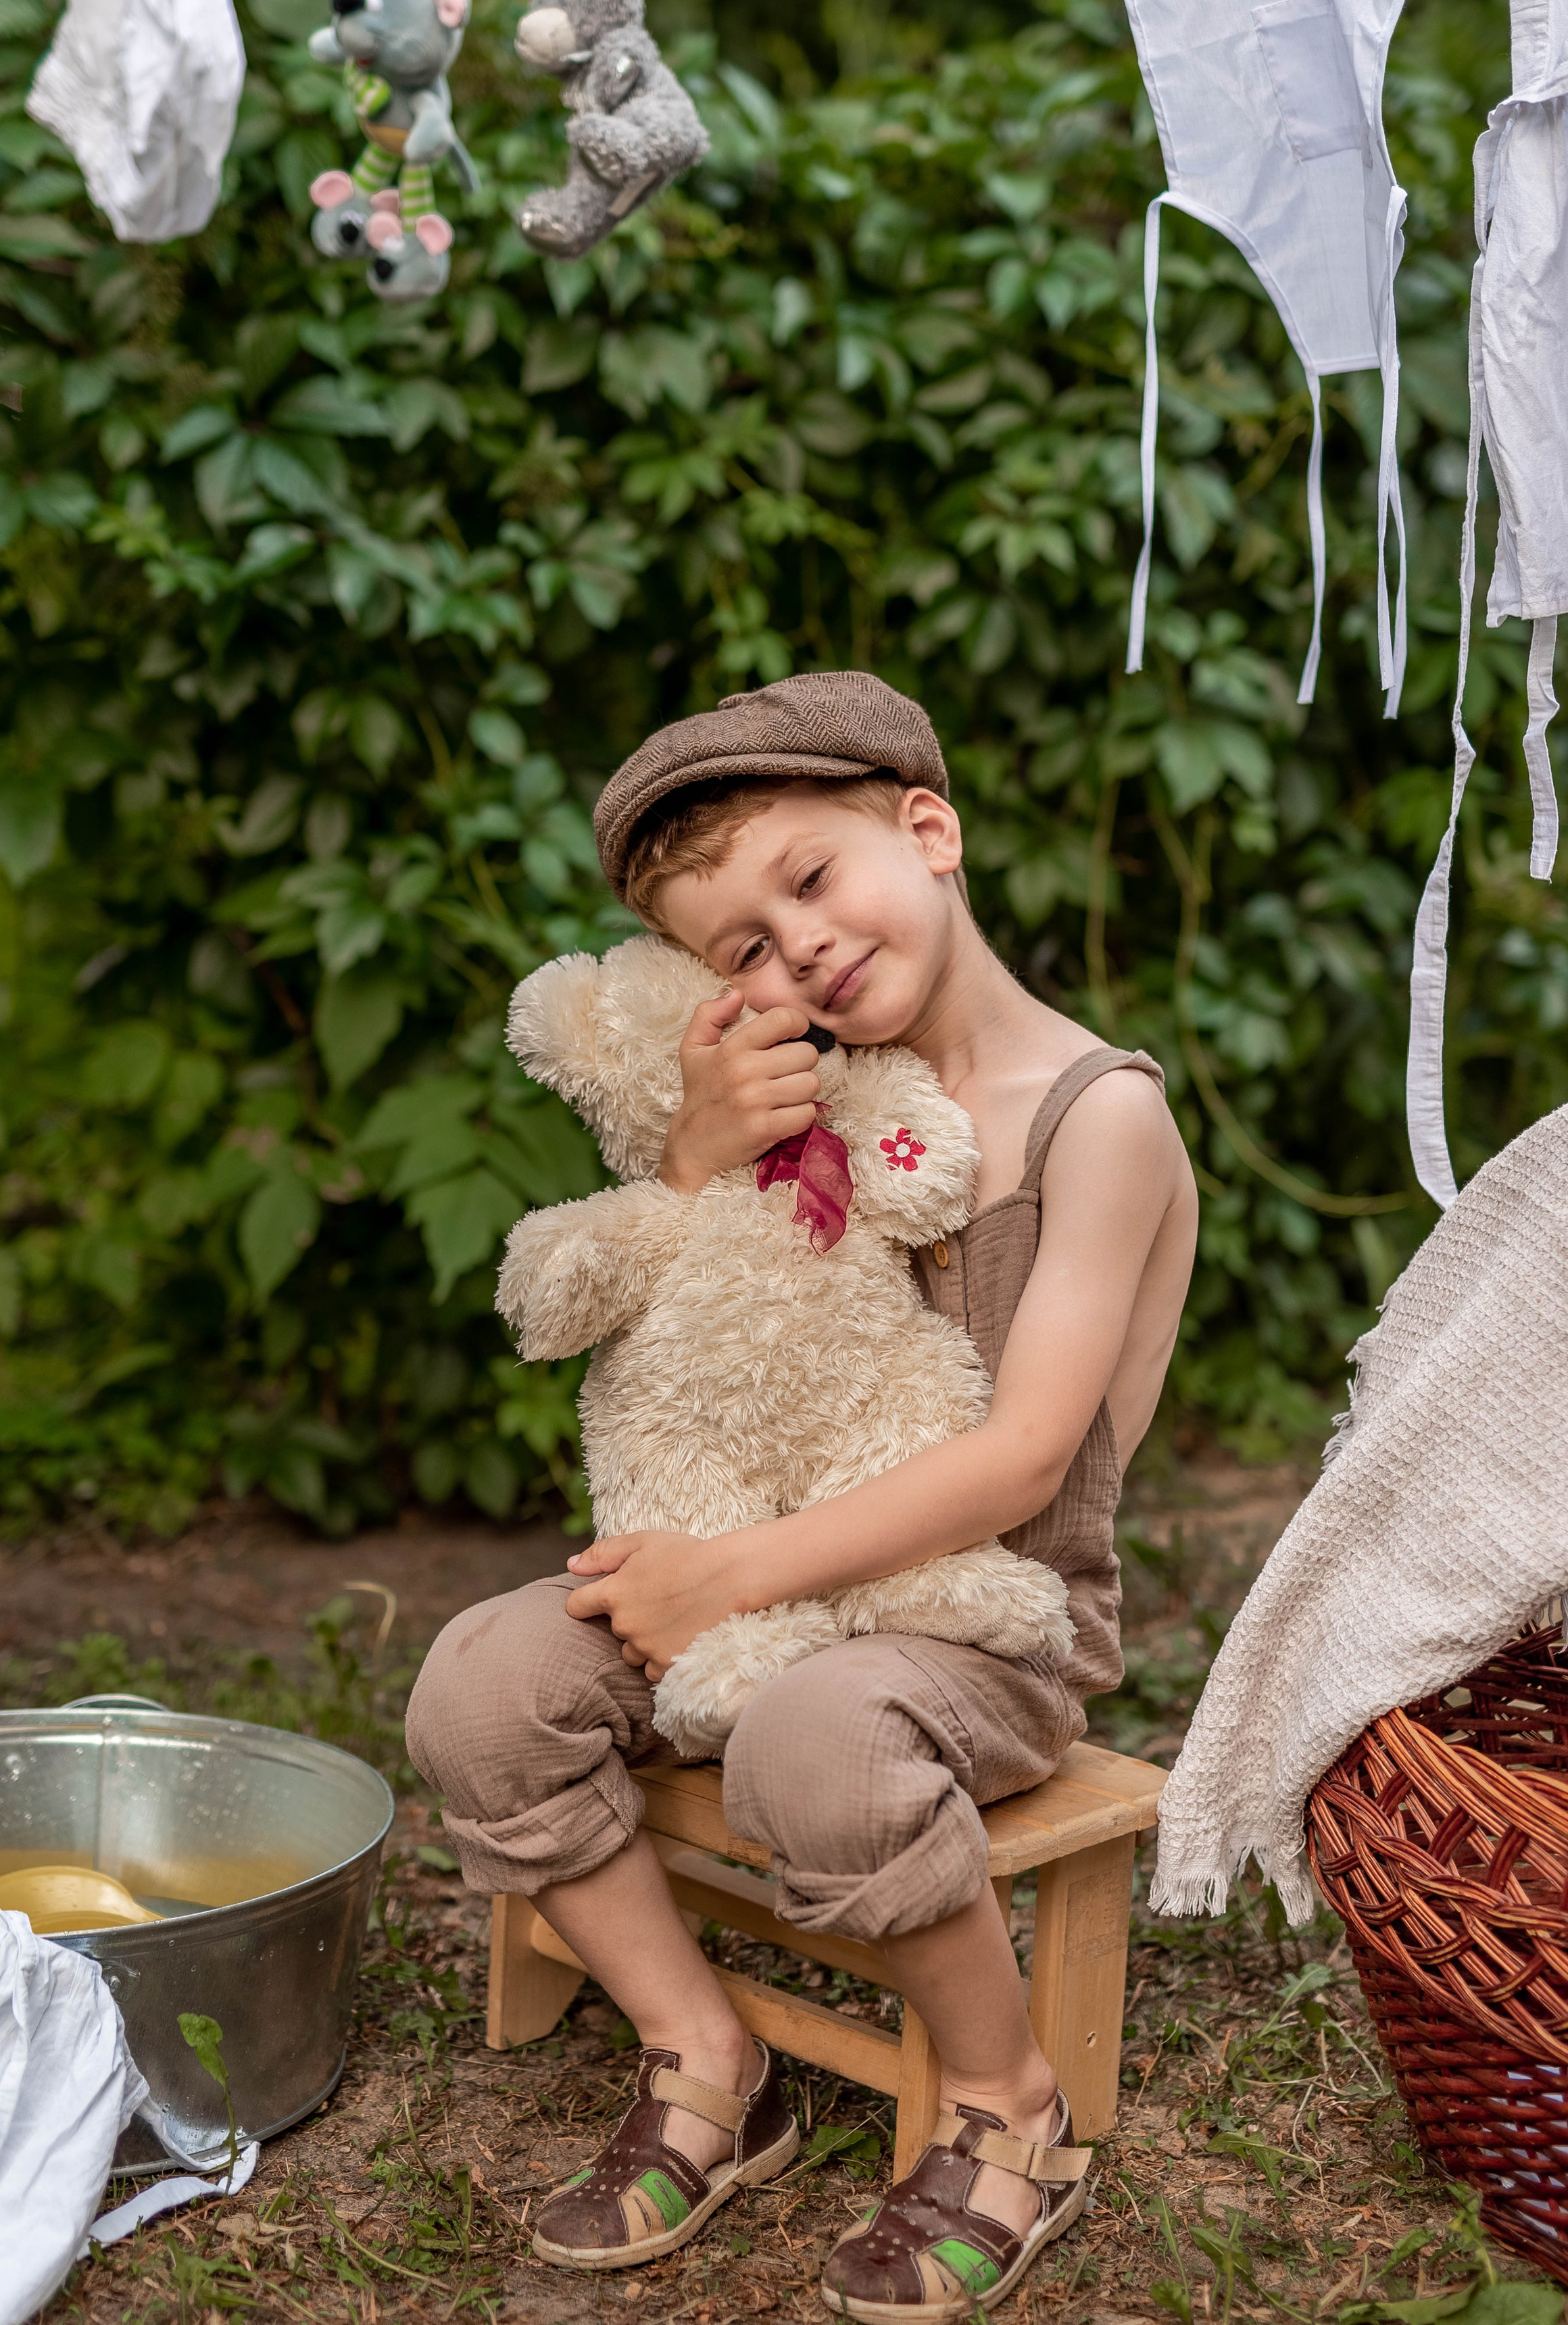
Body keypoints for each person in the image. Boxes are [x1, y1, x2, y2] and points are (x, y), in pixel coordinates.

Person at [406, 670, 1197, 2318]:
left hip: (978, 1620)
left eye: (811, 880)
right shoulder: (801, 1094)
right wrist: (691, 1163)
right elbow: (683, 1321)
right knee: (481, 1687)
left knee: (811, 1738)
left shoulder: (1092, 1115)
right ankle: (707, 2057)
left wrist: (725, 1578)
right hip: (761, 1591)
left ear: (927, 827)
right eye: (740, 952)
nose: (797, 953)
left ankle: (1008, 2113)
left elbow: (1020, 1459)